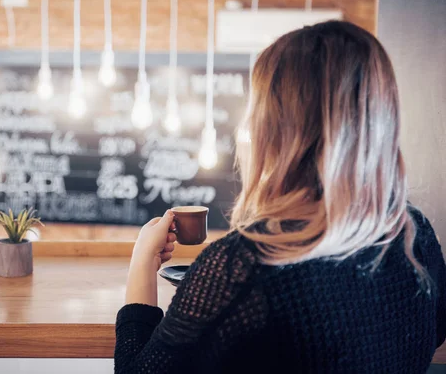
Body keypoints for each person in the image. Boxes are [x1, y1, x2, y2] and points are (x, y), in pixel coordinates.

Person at [114, 21, 446, 374]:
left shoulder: (242, 267)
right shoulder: (415, 233)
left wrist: (141, 265)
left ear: (272, 125)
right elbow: (434, 330)